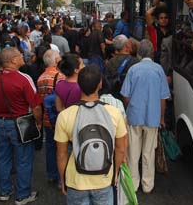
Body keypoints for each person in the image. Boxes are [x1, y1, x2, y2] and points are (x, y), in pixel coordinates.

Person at [0, 47, 42, 204]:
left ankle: (4, 191)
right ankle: (23, 194)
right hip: (21, 123)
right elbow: (36, 106)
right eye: (20, 55)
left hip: (1, 122)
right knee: (24, 159)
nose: (23, 57)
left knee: (3, 157)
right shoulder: (23, 79)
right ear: (13, 60)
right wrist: (38, 122)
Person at [54, 65, 127, 205]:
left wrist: (63, 180)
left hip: (76, 181)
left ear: (78, 84)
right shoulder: (114, 113)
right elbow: (120, 149)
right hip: (104, 179)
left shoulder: (65, 115)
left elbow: (61, 154)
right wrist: (115, 173)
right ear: (100, 84)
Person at [120, 39, 170, 193]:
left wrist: (132, 108)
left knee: (133, 153)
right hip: (153, 118)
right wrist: (162, 118)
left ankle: (133, 185)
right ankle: (148, 185)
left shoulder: (133, 69)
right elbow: (163, 98)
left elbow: (125, 95)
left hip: (134, 116)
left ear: (139, 53)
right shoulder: (159, 70)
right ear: (152, 53)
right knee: (149, 152)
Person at [37, 50, 64, 185]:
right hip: (59, 118)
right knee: (61, 148)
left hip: (47, 118)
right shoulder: (60, 76)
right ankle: (61, 178)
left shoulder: (41, 78)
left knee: (49, 147)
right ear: (55, 61)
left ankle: (51, 174)